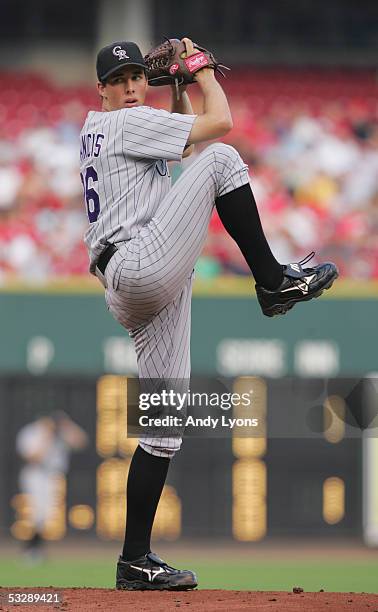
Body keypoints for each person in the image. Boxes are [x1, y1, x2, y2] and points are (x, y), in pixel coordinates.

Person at [80, 38, 338, 590]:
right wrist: (199, 71)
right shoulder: (126, 124)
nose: (129, 88)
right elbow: (218, 125)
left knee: (164, 428)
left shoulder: (114, 129)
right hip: (139, 264)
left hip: (135, 278)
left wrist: (173, 88)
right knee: (222, 158)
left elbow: (176, 149)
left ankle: (134, 561)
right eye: (118, 81)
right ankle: (272, 282)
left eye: (135, 79)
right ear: (99, 89)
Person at [16, 411, 88, 561]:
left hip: (52, 476)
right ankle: (30, 549)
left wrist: (67, 426)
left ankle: (33, 549)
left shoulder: (61, 432)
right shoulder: (32, 432)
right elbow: (34, 457)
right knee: (37, 514)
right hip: (35, 474)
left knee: (45, 515)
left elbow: (81, 442)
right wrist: (46, 435)